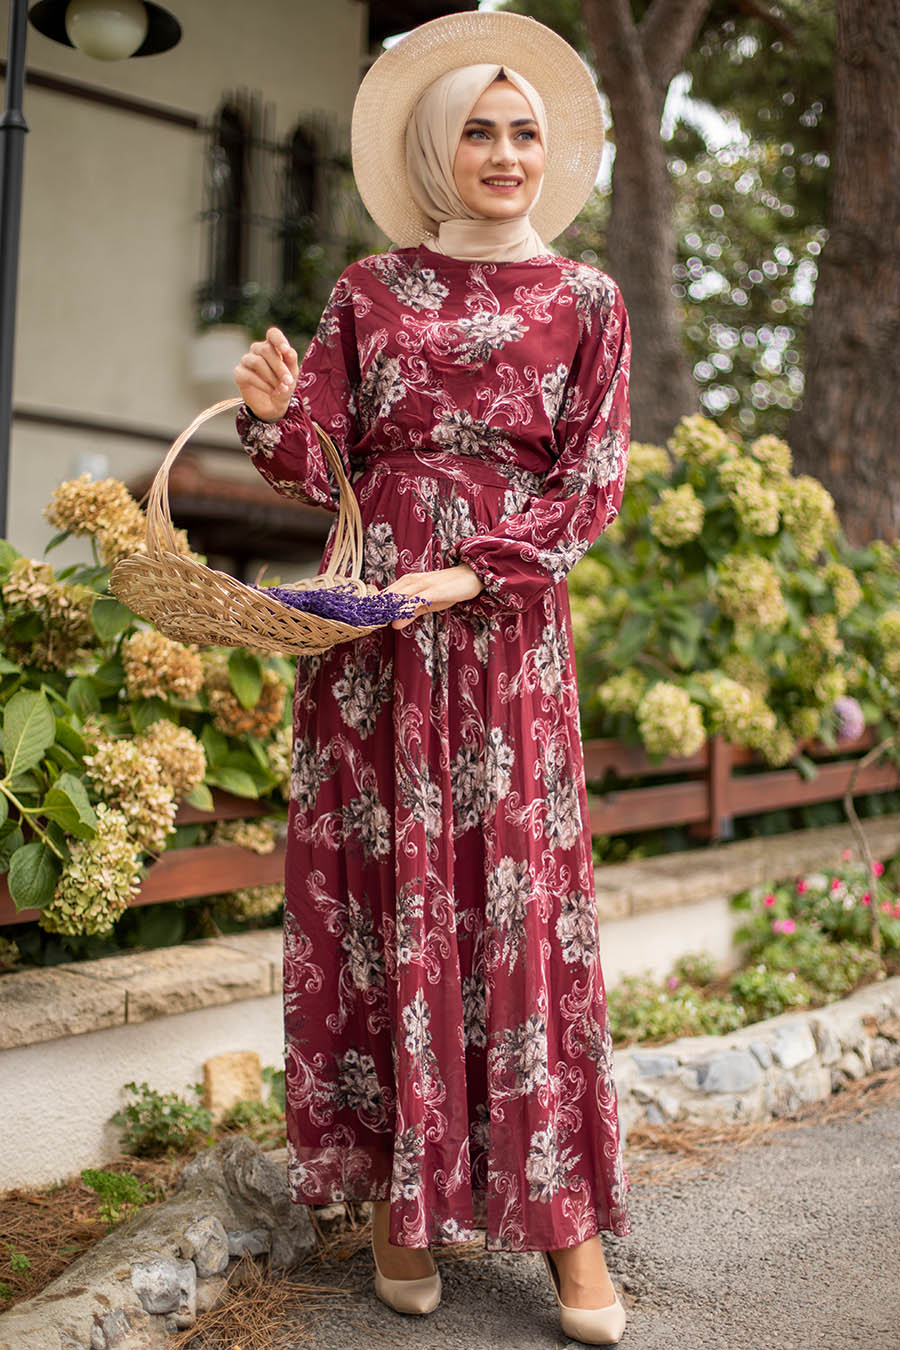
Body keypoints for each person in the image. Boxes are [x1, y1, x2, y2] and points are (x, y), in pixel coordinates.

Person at [233, 11, 632, 1344]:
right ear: (432, 146)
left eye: (525, 132)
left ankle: (564, 1221)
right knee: (383, 895)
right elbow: (318, 469)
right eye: (479, 128)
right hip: (370, 646)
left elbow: (593, 482)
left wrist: (476, 572)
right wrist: (265, 410)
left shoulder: (587, 301)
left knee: (513, 911)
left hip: (505, 636)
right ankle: (403, 1203)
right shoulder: (366, 290)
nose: (506, 151)